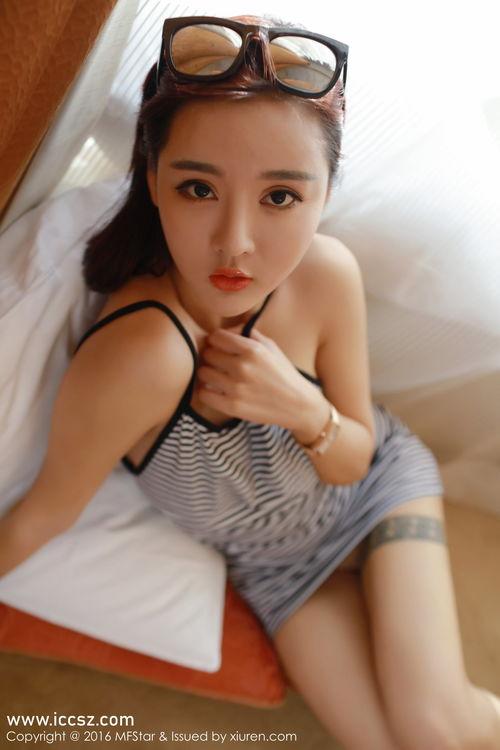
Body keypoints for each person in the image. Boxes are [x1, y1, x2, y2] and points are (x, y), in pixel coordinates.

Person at [1, 13, 499, 748]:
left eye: (281, 197)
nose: (235, 243)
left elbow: (356, 457)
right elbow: (41, 516)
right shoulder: (145, 355)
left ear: (325, 195)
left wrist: (299, 406)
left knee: (435, 723)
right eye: (198, 188)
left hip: (376, 493)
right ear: (153, 181)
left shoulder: (326, 274)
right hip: (279, 568)